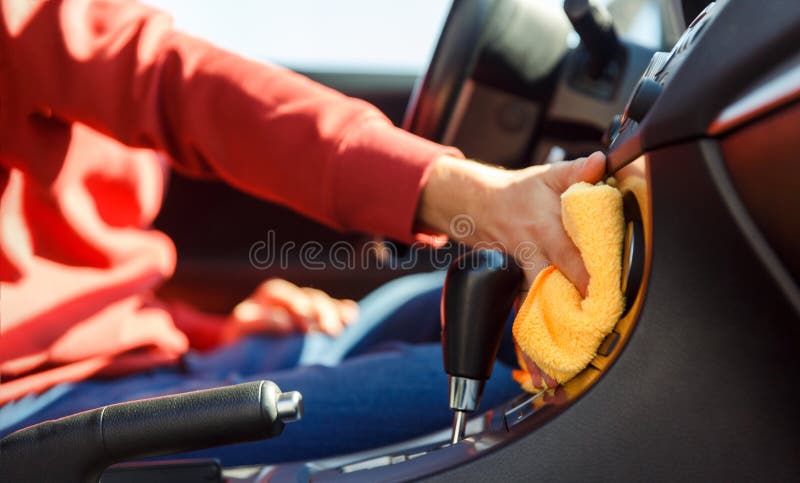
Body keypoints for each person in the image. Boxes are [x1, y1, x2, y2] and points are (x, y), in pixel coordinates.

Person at [0, 0, 606, 465]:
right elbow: (179, 87)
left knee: (481, 314)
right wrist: (474, 195)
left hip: (147, 363)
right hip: (35, 410)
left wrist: (212, 333)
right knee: (505, 398)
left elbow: (56, 277)